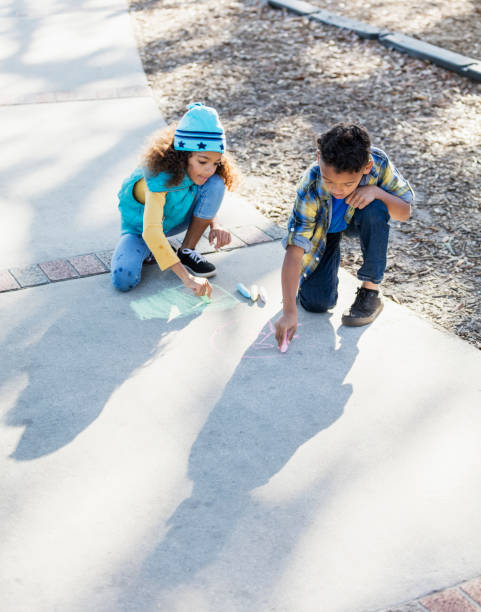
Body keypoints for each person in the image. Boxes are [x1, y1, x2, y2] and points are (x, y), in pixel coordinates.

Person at [275, 122, 414, 347]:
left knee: (376, 210)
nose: (338, 190)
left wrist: (377, 192)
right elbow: (295, 248)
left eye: (348, 183)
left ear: (366, 167)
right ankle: (324, 267)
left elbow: (404, 212)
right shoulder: (310, 186)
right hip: (324, 232)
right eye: (329, 181)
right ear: (318, 157)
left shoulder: (377, 164)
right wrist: (289, 311)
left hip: (360, 217)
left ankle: (370, 292)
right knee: (317, 304)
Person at [111, 102, 238, 297]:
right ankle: (151, 249)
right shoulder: (158, 178)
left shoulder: (204, 173)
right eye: (203, 162)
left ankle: (186, 250)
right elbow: (151, 231)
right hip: (142, 229)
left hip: (175, 219)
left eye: (216, 162)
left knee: (216, 183)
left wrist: (215, 224)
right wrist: (187, 278)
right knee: (123, 279)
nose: (210, 169)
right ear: (182, 156)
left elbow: (207, 196)